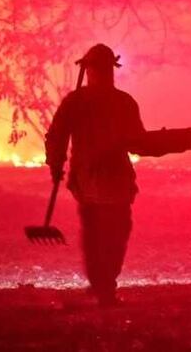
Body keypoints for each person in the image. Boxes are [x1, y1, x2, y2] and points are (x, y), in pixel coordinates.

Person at [45, 43, 144, 306]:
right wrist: (56, 163)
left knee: (97, 235)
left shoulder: (77, 102)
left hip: (90, 182)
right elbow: (138, 143)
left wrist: (56, 164)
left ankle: (101, 286)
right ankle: (104, 286)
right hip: (112, 183)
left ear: (87, 70)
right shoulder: (122, 102)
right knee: (113, 235)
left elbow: (56, 137)